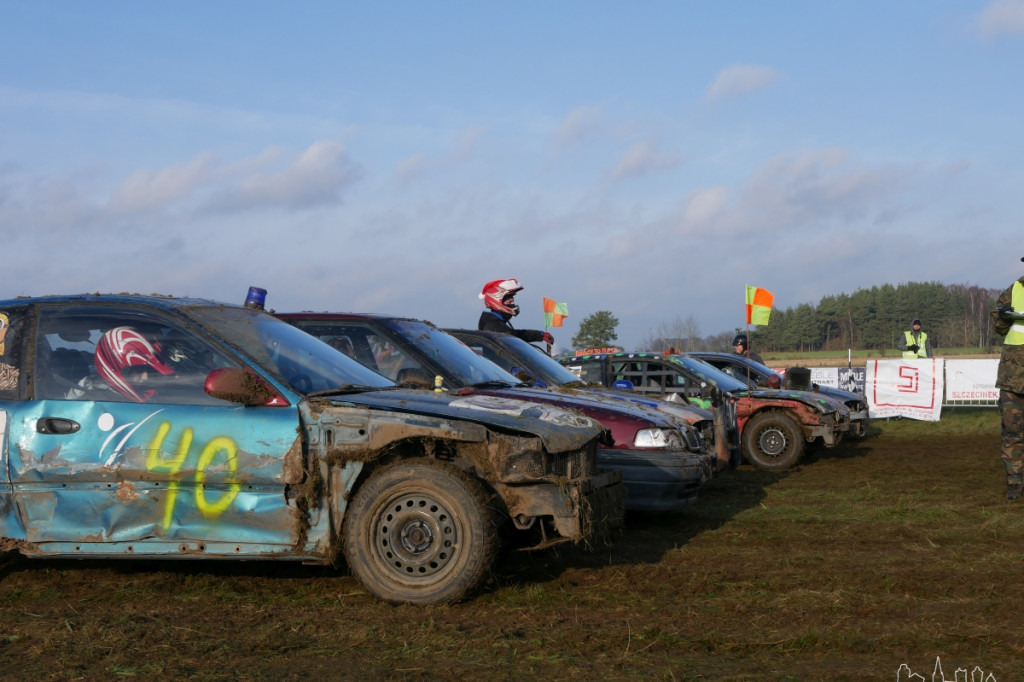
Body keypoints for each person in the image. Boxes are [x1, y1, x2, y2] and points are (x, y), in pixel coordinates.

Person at [992, 260, 1024, 499]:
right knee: (1012, 433)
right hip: (1012, 378)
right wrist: (1004, 316)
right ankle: (1015, 483)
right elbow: (998, 326)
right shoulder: (1014, 290)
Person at [93, 326, 175, 402]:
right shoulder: (95, 401)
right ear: (115, 369)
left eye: (148, 369)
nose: (146, 377)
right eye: (138, 370)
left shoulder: (152, 392)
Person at [477, 278, 554, 345]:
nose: (512, 301)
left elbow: (516, 335)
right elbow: (515, 342)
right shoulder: (494, 326)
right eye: (508, 298)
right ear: (496, 300)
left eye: (512, 298)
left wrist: (539, 335)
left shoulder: (496, 323)